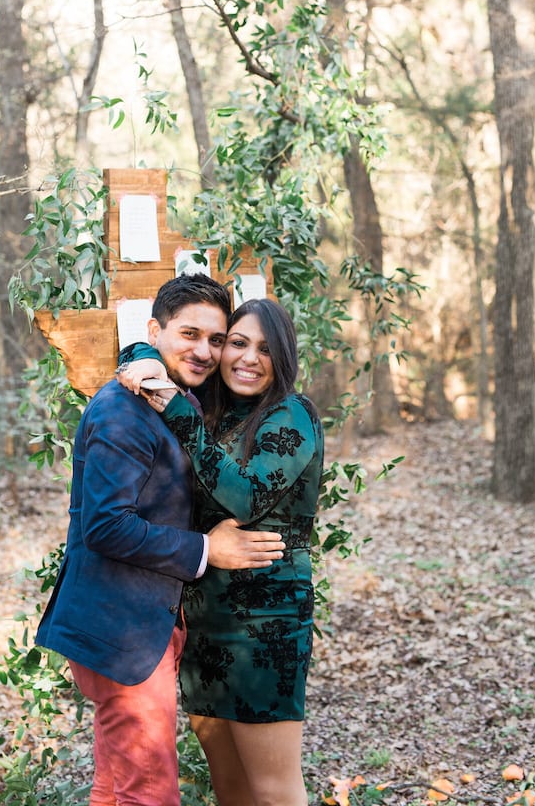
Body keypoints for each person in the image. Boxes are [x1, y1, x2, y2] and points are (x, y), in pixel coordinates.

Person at [35, 274, 285, 806]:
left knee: (115, 786)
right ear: (155, 330)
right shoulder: (121, 411)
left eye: (216, 340)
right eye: (189, 334)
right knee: (149, 792)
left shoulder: (168, 395)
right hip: (123, 627)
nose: (204, 351)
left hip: (145, 622)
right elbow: (104, 525)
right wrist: (205, 550)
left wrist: (144, 355)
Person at [117, 296, 324, 806]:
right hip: (203, 622)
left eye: (265, 348)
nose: (248, 358)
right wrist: (143, 354)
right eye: (237, 343)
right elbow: (152, 347)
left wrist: (176, 409)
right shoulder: (211, 409)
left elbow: (246, 496)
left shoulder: (290, 415)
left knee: (274, 792)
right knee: (231, 791)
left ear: (284, 358)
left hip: (265, 626)